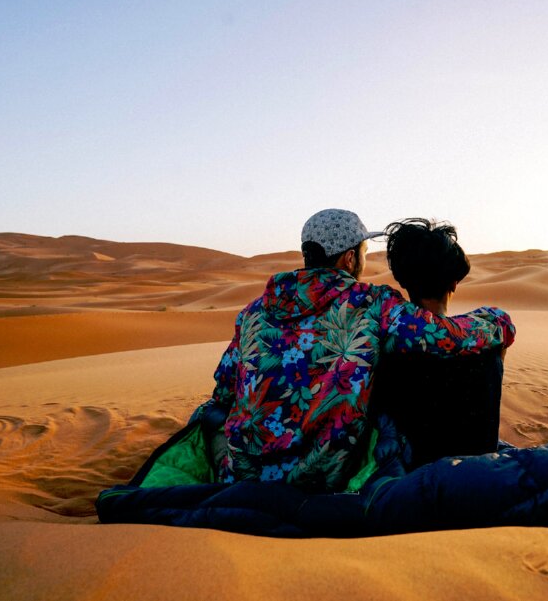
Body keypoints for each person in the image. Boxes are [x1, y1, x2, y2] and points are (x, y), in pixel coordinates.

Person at [206, 209, 515, 493]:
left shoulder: (253, 312)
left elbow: (224, 388)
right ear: (350, 259)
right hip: (319, 477)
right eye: (365, 253)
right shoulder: (371, 304)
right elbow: (444, 335)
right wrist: (498, 321)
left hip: (240, 474)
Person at [368, 218, 504, 468]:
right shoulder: (491, 339)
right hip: (482, 476)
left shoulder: (385, 351)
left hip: (411, 483)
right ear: (454, 281)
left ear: (403, 281)